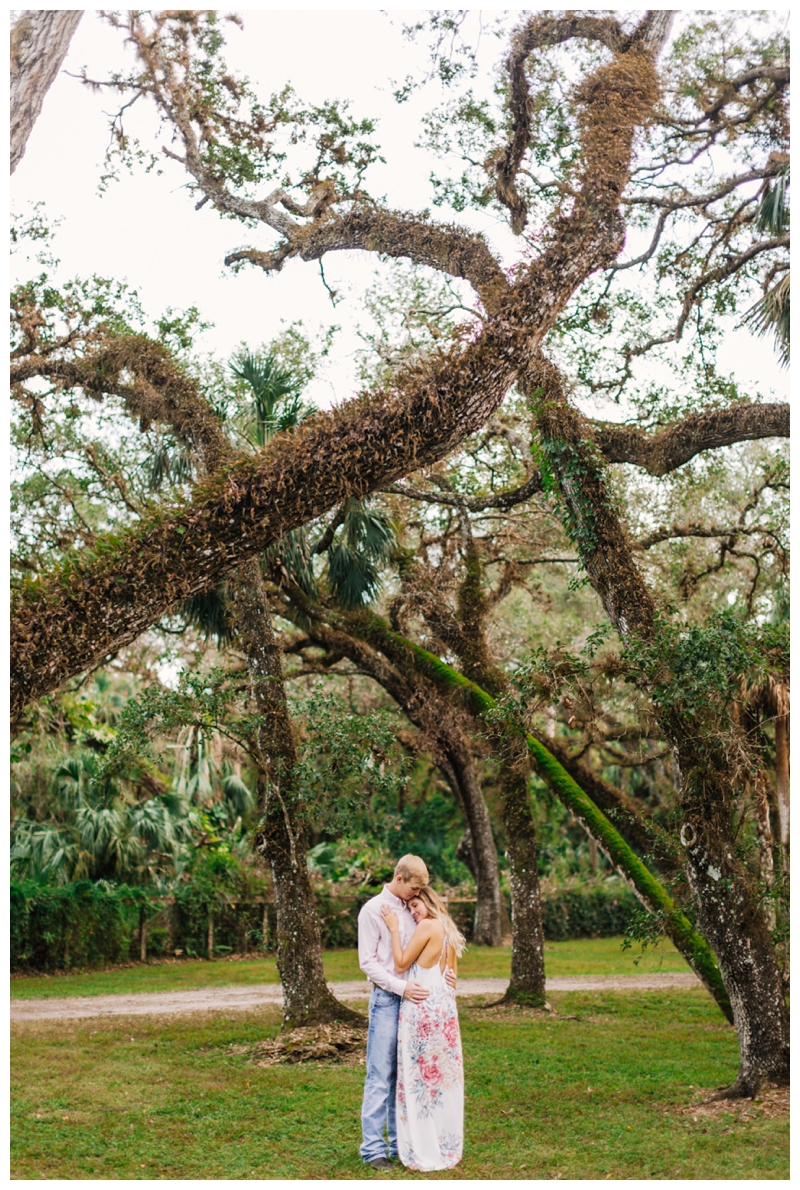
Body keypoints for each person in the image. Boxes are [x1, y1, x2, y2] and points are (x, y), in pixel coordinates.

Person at [357, 855, 456, 1170]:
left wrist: (445, 974)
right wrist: (401, 989)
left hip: (417, 1004)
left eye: (419, 892)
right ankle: (374, 1150)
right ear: (399, 878)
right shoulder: (373, 910)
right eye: (413, 889)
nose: (416, 896)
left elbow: (437, 943)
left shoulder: (416, 907)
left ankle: (404, 1143)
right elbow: (368, 963)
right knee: (380, 1074)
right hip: (389, 999)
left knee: (407, 1076)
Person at [380, 885, 465, 1172]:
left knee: (417, 1080)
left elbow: (402, 963)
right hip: (444, 1011)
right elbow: (451, 976)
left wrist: (393, 928)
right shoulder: (447, 931)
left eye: (416, 906)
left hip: (423, 1010)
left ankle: (422, 1148)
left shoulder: (428, 926)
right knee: (441, 1081)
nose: (413, 913)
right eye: (411, 908)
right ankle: (444, 1143)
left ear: (428, 902)